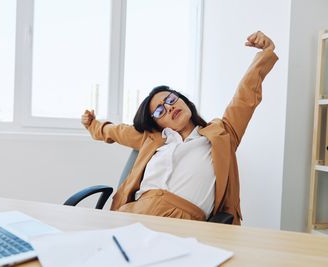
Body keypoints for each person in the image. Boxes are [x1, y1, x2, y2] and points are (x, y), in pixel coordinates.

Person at [81, 31, 278, 225]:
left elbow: (243, 98)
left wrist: (265, 53)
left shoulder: (222, 134)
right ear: (157, 124)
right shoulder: (152, 139)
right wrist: (92, 124)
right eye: (159, 111)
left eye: (170, 99)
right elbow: (115, 131)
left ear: (183, 100)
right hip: (134, 214)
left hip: (183, 223)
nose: (168, 107)